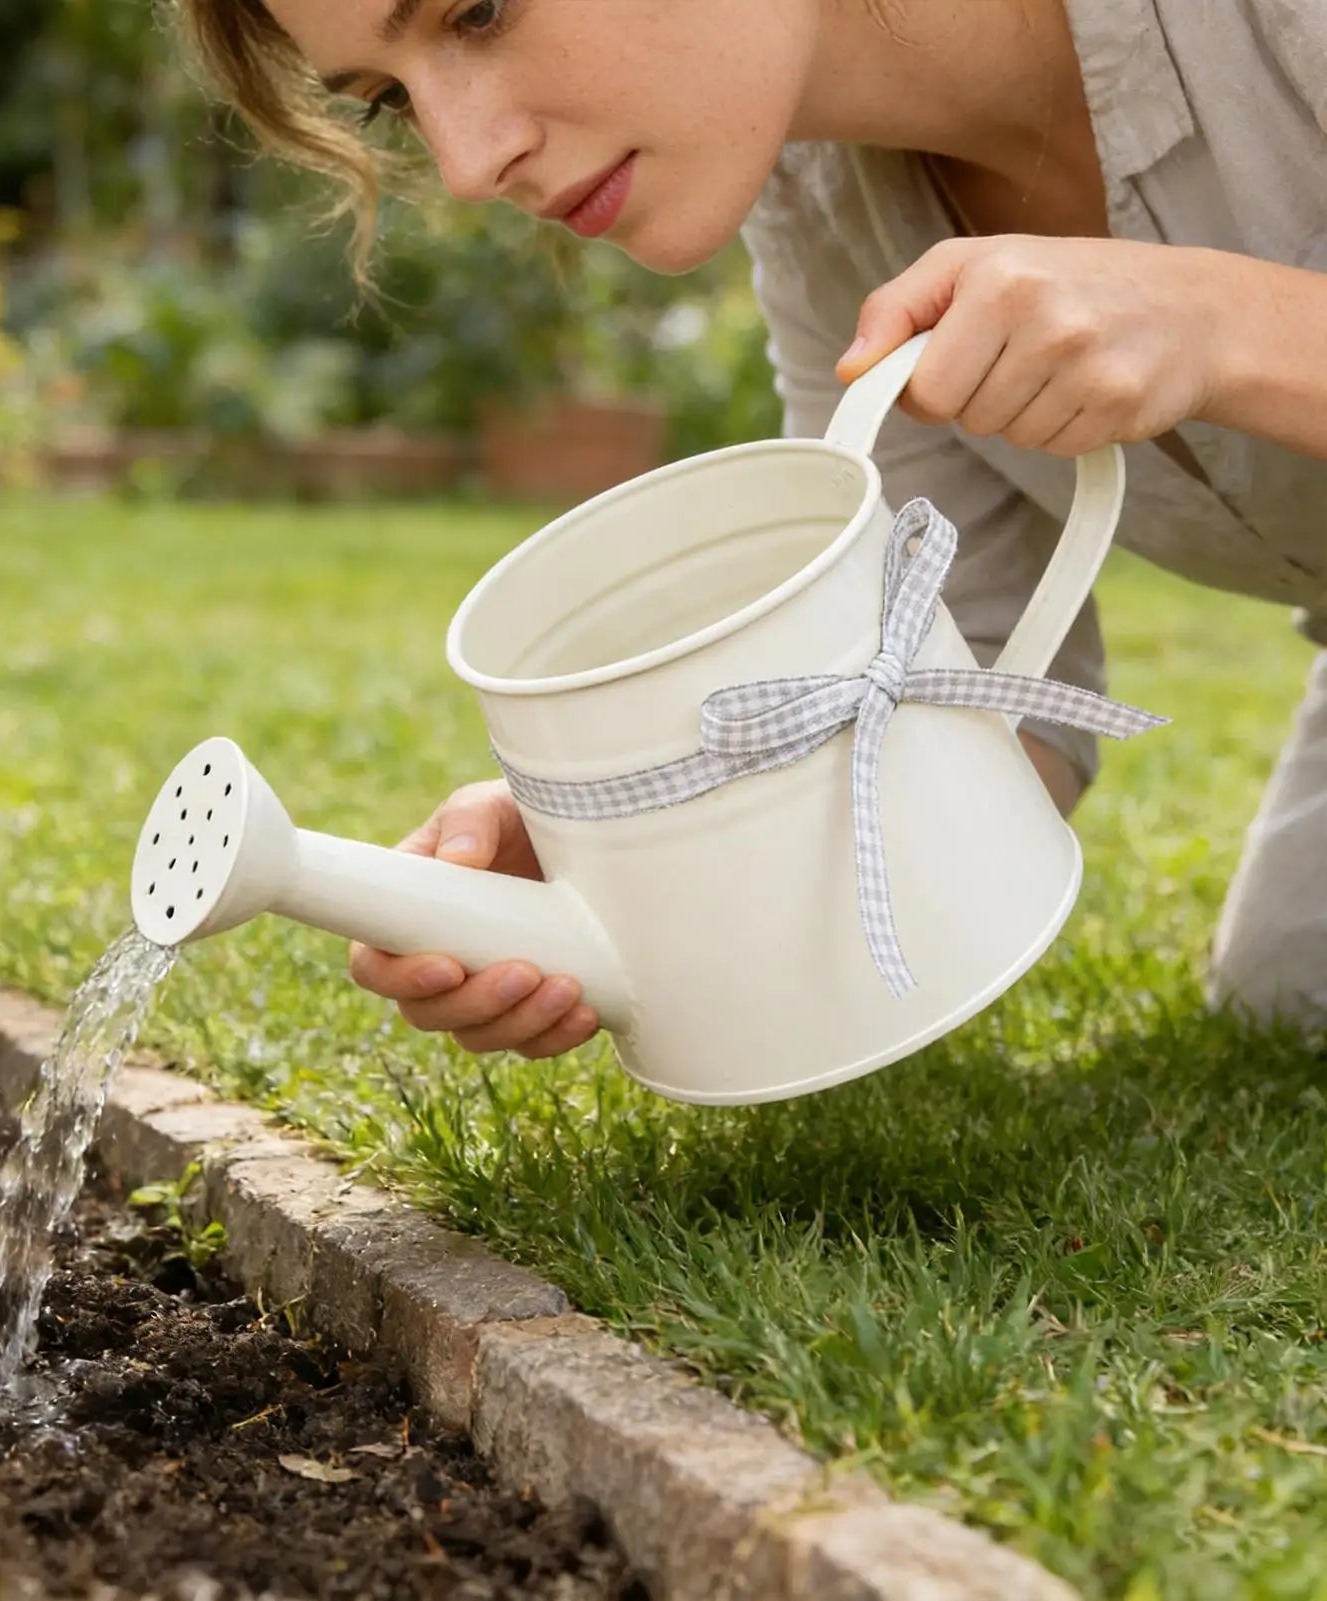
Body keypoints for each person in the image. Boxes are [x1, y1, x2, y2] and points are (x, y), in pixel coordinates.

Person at [180, 0, 1327, 1059]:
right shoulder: (821, 211)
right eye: (387, 97)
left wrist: (1231, 323)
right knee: (1288, 999)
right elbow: (947, 674)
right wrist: (665, 828)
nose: (467, 162)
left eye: (478, 9)